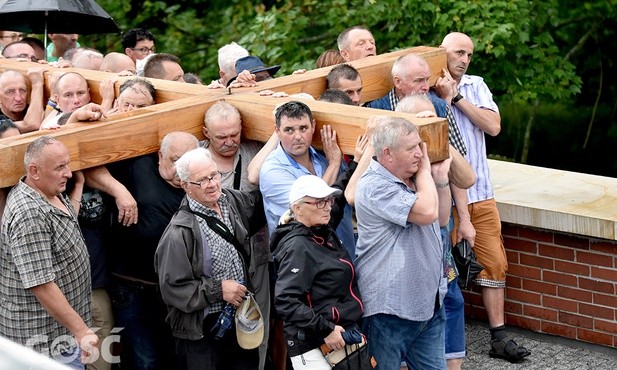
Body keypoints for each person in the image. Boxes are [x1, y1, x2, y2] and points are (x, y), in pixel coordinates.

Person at [435, 32, 531, 363]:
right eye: (459, 53)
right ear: (442, 52)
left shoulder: (476, 85)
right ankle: (443, 342)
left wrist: (458, 97)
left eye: (470, 54)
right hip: (443, 198)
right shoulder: (427, 85)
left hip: (482, 195)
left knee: (495, 263)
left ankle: (499, 337)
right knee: (443, 269)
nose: (464, 59)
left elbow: (493, 126)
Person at [354, 116, 452, 370]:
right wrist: (425, 174)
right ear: (387, 153)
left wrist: (439, 178)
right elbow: (428, 211)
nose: (420, 154)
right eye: (412, 149)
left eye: (420, 145)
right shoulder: (374, 186)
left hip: (429, 305)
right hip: (390, 311)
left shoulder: (417, 179)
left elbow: (441, 218)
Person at [155, 147, 265, 370]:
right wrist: (218, 290)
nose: (213, 184)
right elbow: (172, 289)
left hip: (239, 319)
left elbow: (263, 206)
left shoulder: (231, 201)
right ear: (185, 185)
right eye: (202, 181)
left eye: (214, 175)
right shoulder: (178, 233)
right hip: (203, 332)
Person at [0, 136, 97, 369]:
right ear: (34, 171)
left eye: (68, 164)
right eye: (60, 167)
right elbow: (40, 282)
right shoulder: (29, 214)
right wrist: (80, 330)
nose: (69, 173)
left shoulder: (49, 190)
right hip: (43, 344)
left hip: (61, 336)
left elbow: (64, 224)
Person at [105, 132, 198, 369]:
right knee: (146, 362)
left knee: (176, 359)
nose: (180, 169)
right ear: (160, 155)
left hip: (177, 293)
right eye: (175, 160)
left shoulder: (198, 185)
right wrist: (119, 191)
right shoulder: (139, 166)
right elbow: (90, 166)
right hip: (134, 288)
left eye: (187, 162)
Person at [395, 94, 472, 370]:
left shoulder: (437, 145)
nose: (431, 124)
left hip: (438, 242)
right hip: (407, 247)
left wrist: (441, 140)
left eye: (433, 117)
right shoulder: (395, 153)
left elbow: (468, 179)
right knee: (411, 315)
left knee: (451, 302)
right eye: (424, 120)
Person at [201, 101, 272, 369]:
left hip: (256, 258)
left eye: (235, 134)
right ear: (205, 132)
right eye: (222, 137)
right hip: (213, 266)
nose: (230, 141)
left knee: (258, 324)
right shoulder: (196, 158)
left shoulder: (254, 150)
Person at [271, 174, 363, 370]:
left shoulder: (322, 229)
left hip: (340, 334)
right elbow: (286, 301)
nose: (328, 206)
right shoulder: (297, 246)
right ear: (298, 208)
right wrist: (326, 330)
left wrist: (355, 163)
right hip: (313, 344)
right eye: (319, 202)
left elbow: (338, 202)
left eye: (328, 200)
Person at [257, 101, 356, 256]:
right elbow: (312, 208)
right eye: (289, 130)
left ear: (313, 126)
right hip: (303, 263)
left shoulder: (325, 154)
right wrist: (335, 164)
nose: (298, 136)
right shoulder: (273, 171)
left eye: (303, 128)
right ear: (277, 131)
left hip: (344, 254)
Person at [366, 54, 468, 160]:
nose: (426, 87)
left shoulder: (440, 107)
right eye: (418, 81)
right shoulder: (376, 110)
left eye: (427, 79)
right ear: (398, 82)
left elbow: (459, 156)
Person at [0, 68, 45, 132]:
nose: (18, 98)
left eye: (22, 90)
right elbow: (31, 124)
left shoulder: (35, 107)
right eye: (10, 92)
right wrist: (37, 84)